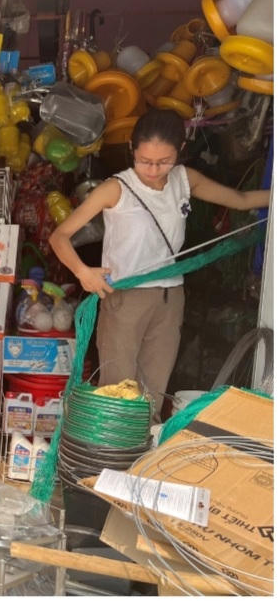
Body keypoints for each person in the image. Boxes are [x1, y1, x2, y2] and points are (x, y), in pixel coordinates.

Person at [49, 108, 270, 420]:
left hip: (170, 298)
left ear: (180, 151)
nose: (153, 169)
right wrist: (82, 272)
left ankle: (141, 459)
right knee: (117, 391)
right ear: (131, 148)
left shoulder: (184, 179)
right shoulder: (116, 188)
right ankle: (110, 461)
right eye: (144, 161)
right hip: (124, 299)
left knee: (154, 390)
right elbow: (60, 236)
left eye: (163, 161)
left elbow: (242, 200)